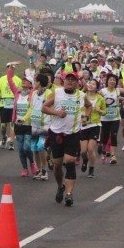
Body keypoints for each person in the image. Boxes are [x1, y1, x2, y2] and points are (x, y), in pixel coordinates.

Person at [42, 71, 92, 207]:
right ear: (63, 81)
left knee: (70, 161)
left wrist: (86, 117)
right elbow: (44, 107)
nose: (70, 82)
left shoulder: (81, 95)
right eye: (67, 79)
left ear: (77, 83)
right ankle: (60, 186)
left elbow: (89, 106)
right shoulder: (57, 93)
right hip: (56, 133)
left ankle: (69, 194)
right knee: (57, 165)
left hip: (73, 133)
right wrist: (56, 112)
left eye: (73, 80)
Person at [6, 62, 37, 177]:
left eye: (26, 80)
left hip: (28, 124)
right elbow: (10, 80)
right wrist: (11, 68)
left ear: (31, 84)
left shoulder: (33, 94)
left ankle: (32, 163)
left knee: (27, 147)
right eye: (23, 80)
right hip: (18, 124)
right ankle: (25, 168)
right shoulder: (17, 92)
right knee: (20, 149)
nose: (23, 81)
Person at [23, 73, 53, 180]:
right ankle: (40, 169)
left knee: (41, 146)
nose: (34, 83)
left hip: (45, 125)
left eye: (35, 81)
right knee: (34, 148)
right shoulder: (34, 93)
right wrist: (24, 119)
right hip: (34, 125)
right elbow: (31, 109)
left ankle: (44, 170)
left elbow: (51, 106)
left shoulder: (49, 93)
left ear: (39, 82)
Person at [0, 64, 22, 150]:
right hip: (3, 104)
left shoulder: (18, 80)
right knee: (3, 126)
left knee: (12, 124)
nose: (10, 69)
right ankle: (4, 137)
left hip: (13, 104)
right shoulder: (2, 79)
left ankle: (11, 142)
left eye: (12, 68)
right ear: (7, 69)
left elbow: (20, 92)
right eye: (9, 68)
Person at [82, 79, 105, 177]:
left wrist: (100, 111)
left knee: (90, 149)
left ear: (97, 87)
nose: (91, 85)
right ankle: (85, 159)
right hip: (83, 125)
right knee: (83, 151)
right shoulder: (82, 96)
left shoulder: (100, 98)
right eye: (89, 83)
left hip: (95, 125)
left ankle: (91, 169)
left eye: (93, 84)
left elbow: (104, 111)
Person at [99, 74, 119, 164]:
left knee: (114, 135)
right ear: (107, 81)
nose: (112, 81)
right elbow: (95, 97)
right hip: (105, 117)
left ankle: (113, 156)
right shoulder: (102, 91)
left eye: (114, 80)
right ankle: (103, 150)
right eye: (110, 80)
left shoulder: (118, 91)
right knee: (104, 136)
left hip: (115, 117)